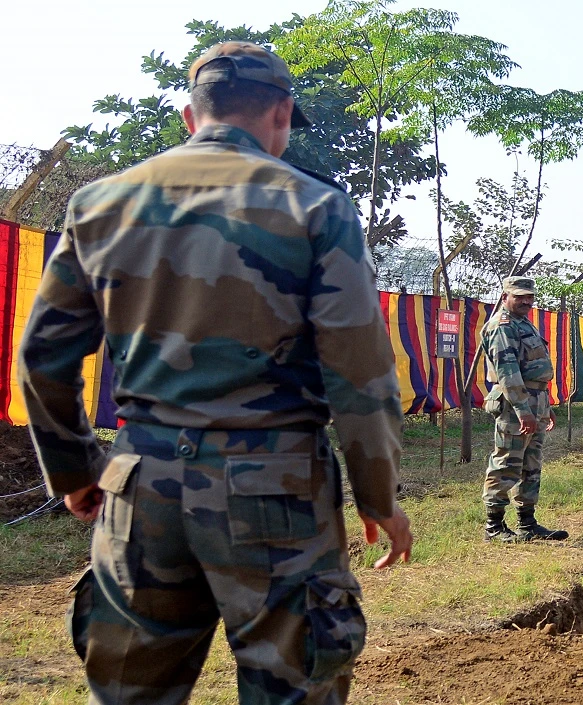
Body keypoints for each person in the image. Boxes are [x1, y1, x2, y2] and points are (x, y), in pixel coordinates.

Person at [16, 42, 413, 703]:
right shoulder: (316, 208)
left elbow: (42, 358)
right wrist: (379, 496)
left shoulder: (98, 204)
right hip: (278, 491)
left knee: (126, 692)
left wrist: (77, 471)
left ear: (187, 115)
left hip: (141, 488)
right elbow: (359, 371)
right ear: (282, 113)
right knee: (295, 688)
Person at [479, 276, 567, 542]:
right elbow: (508, 373)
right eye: (520, 297)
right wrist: (522, 410)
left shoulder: (523, 323)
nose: (526, 301)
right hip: (515, 403)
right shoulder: (502, 326)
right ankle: (493, 527)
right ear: (505, 296)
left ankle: (527, 525)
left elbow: (535, 369)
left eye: (529, 297)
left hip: (535, 399)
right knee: (507, 462)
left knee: (531, 465)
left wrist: (545, 405)